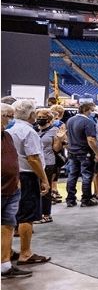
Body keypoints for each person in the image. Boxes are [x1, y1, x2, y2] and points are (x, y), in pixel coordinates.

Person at [7, 100, 52, 267]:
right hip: (27, 176)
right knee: (27, 215)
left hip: (10, 175)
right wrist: (44, 179)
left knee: (9, 214)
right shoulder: (28, 131)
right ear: (31, 114)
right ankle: (25, 253)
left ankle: (7, 251)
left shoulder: (8, 130)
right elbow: (33, 158)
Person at [2, 104, 32, 279]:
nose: (11, 120)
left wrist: (16, 179)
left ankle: (5, 265)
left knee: (7, 225)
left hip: (11, 188)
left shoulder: (7, 136)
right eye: (8, 116)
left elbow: (13, 158)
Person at [65, 102, 98, 208]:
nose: (92, 112)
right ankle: (86, 199)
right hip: (84, 152)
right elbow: (91, 140)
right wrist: (97, 153)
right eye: (91, 110)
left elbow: (67, 135)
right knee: (86, 176)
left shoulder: (70, 120)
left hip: (72, 151)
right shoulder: (88, 122)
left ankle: (70, 199)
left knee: (72, 175)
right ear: (86, 110)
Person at [36, 108, 65, 223]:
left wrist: (60, 139)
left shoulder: (54, 130)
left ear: (49, 119)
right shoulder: (34, 129)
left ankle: (46, 214)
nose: (40, 119)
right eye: (38, 117)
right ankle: (37, 214)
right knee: (36, 190)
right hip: (36, 162)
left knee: (46, 188)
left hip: (48, 163)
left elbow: (56, 149)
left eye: (43, 117)